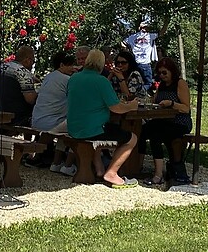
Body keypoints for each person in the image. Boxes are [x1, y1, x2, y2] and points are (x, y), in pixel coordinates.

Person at [66, 48, 140, 188]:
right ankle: (112, 173)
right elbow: (116, 108)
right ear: (102, 63)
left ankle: (100, 169)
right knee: (132, 138)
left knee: (107, 132)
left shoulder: (74, 78)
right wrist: (131, 106)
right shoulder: (101, 81)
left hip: (74, 128)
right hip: (93, 129)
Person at [143, 58, 194, 186]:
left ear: (172, 71)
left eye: (164, 73)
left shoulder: (180, 83)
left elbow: (186, 108)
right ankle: (134, 166)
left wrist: (171, 103)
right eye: (159, 73)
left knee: (156, 136)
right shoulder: (161, 85)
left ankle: (158, 174)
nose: (162, 76)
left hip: (180, 122)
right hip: (162, 120)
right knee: (141, 131)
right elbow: (155, 101)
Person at [29, 50, 77, 175]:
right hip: (52, 123)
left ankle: (56, 163)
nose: (73, 68)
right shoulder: (68, 80)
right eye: (70, 65)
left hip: (37, 119)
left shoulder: (49, 76)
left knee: (65, 125)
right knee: (78, 127)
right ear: (61, 65)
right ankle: (67, 164)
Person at [0, 45, 38, 126]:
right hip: (16, 117)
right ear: (27, 60)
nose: (32, 64)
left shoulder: (2, 67)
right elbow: (30, 99)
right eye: (33, 61)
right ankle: (30, 139)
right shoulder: (23, 73)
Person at [124, 20, 159, 86]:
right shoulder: (150, 36)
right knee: (148, 83)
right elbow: (161, 33)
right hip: (145, 63)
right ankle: (142, 92)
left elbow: (123, 43)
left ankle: (137, 93)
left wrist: (128, 51)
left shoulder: (132, 37)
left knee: (136, 82)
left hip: (136, 63)